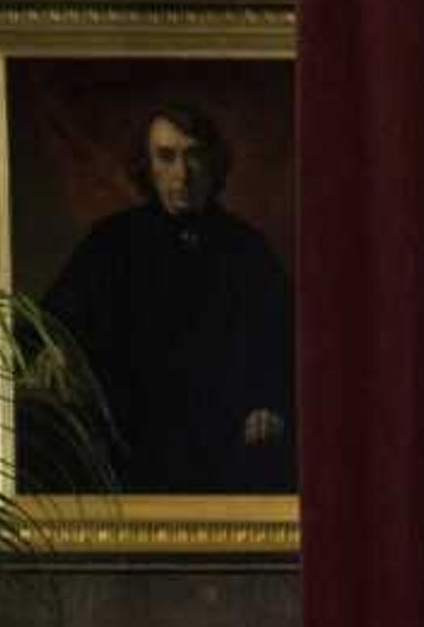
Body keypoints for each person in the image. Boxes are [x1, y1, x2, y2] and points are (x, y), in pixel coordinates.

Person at [39, 103, 295, 493]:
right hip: (128, 440)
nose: (183, 173)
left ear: (213, 164)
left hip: (222, 443)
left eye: (194, 156)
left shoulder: (247, 250)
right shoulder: (110, 243)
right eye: (167, 157)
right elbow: (52, 321)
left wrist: (268, 403)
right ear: (147, 166)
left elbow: (284, 342)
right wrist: (52, 349)